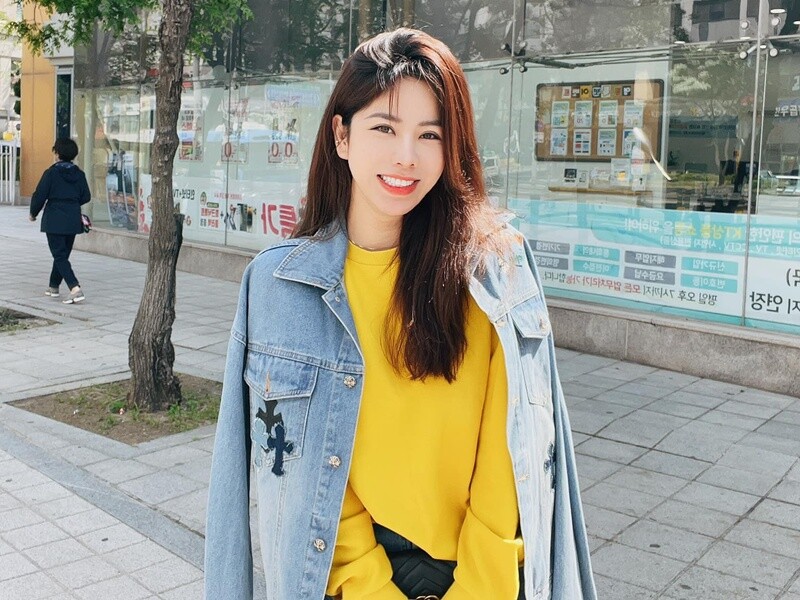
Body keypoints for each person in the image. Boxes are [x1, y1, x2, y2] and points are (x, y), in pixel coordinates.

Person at [205, 28, 595, 600]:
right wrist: (368, 584)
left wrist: (480, 587)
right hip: (341, 578)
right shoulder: (278, 286)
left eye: (429, 134)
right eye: (384, 128)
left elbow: (513, 450)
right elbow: (288, 470)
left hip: (482, 575)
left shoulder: (495, 269)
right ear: (342, 135)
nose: (406, 156)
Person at [29, 138, 91, 304]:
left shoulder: (51, 173)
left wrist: (33, 213)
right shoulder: (79, 174)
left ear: (57, 154)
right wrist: (72, 203)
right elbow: (86, 196)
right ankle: (53, 286)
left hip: (54, 219)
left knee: (59, 255)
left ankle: (75, 288)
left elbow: (39, 195)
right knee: (62, 254)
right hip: (72, 219)